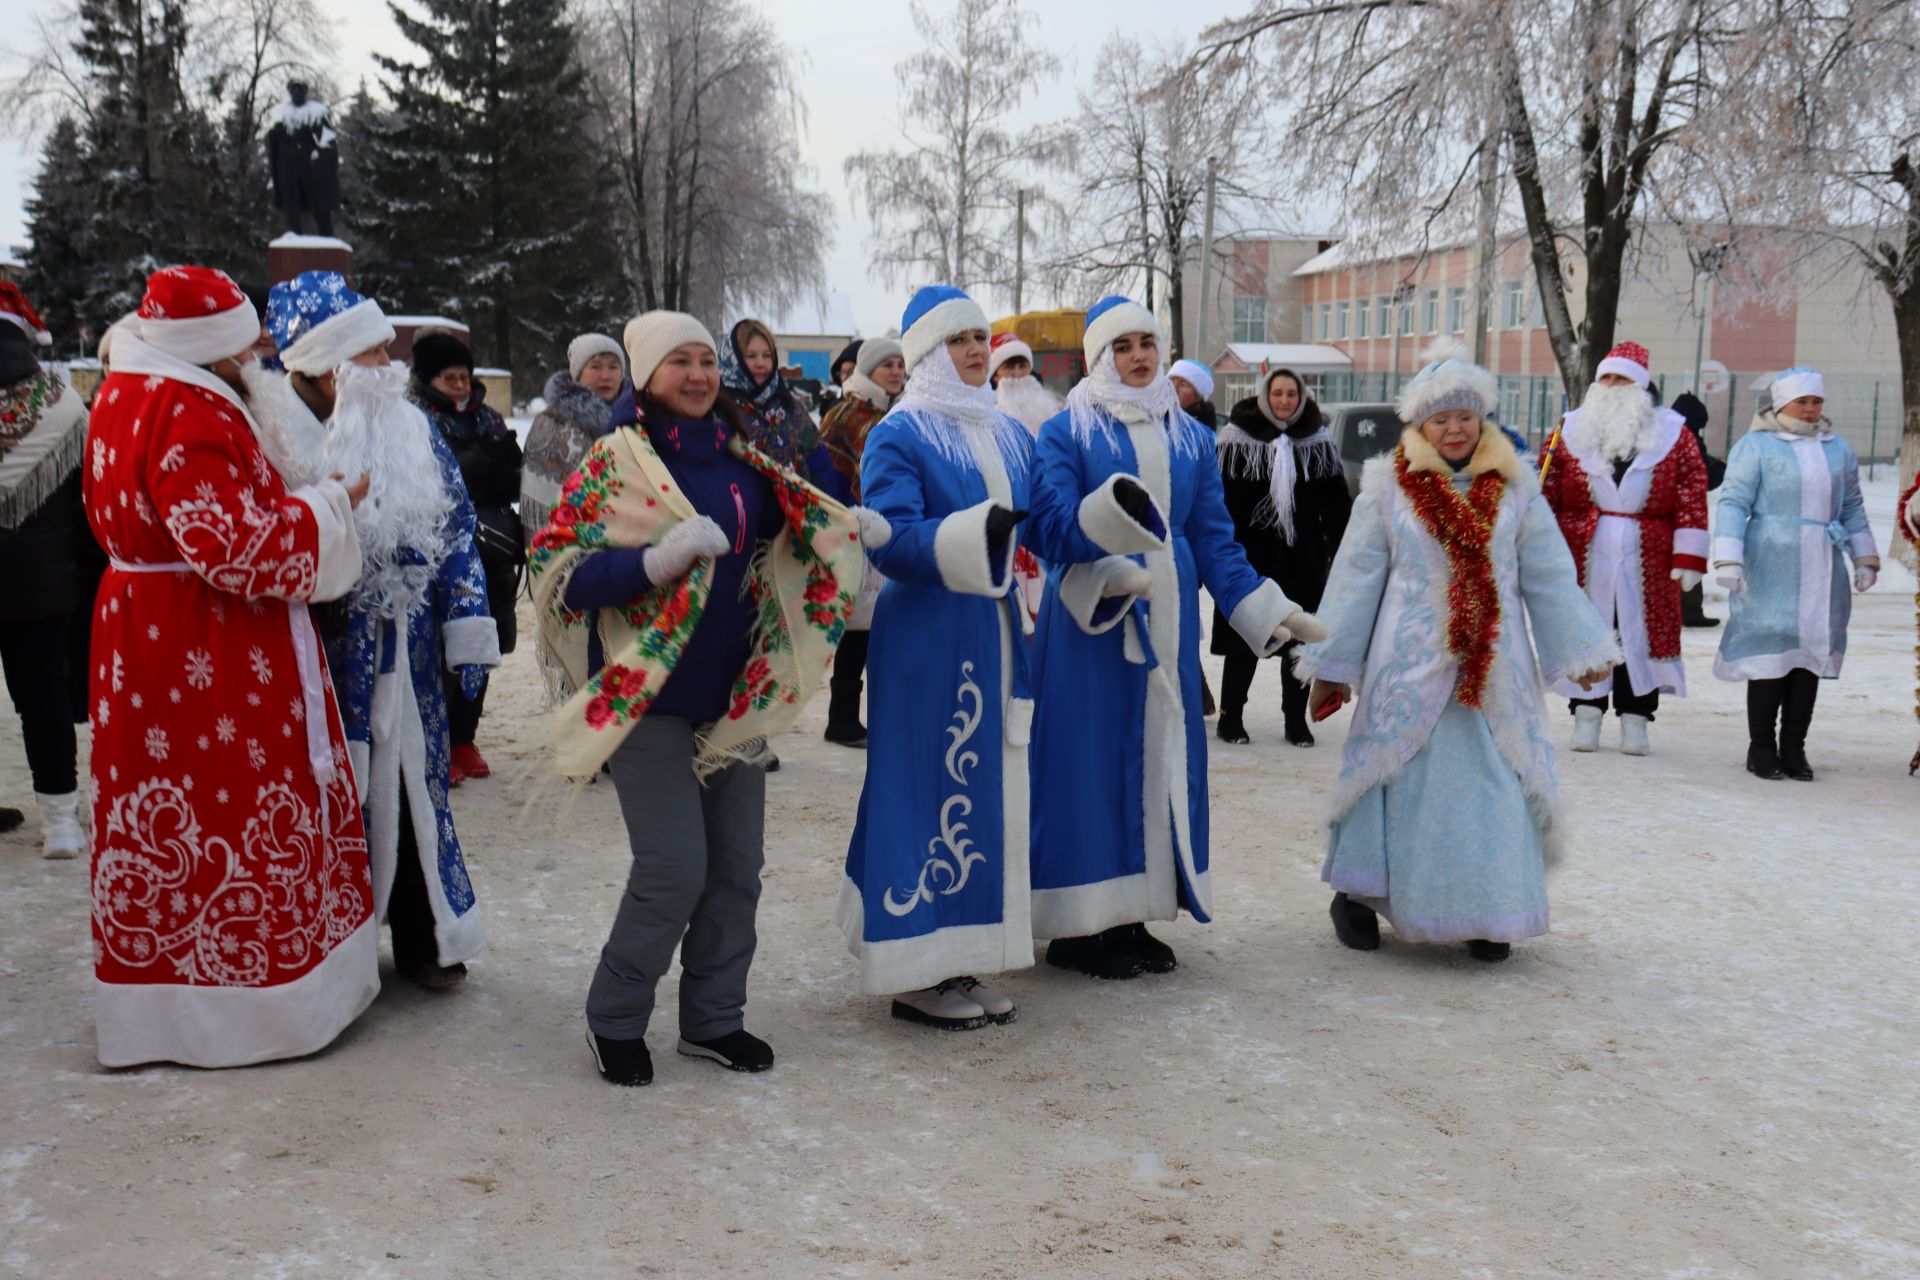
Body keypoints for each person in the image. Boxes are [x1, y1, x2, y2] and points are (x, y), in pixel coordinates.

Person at [529, 311, 870, 1086]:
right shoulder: (617, 461)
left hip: (732, 699)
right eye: (677, 362)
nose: (698, 375)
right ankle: (614, 1016)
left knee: (737, 868)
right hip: (650, 695)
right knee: (675, 867)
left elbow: (798, 525)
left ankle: (714, 1020)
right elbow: (559, 573)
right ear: (646, 376)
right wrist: (653, 564)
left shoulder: (744, 456)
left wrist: (845, 531)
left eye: (705, 362)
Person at [83, 265, 377, 1067]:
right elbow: (232, 547)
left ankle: (166, 1002)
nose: (259, 346)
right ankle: (255, 1010)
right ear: (213, 348)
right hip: (207, 646)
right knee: (233, 805)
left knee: (165, 806)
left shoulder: (125, 387)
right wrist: (330, 505)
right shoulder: (187, 409)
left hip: (144, 634)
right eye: (246, 336)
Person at [1025, 297, 1323, 979]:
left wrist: (1261, 608)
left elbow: (1216, 539)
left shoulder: (1189, 435)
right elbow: (1047, 525)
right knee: (1090, 764)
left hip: (1168, 622)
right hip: (1091, 623)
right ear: (1100, 356)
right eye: (1122, 346)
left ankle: (1134, 912)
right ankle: (1077, 926)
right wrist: (1113, 553)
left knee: (1160, 758)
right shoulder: (1066, 431)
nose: (1138, 356)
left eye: (1146, 343)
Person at [1300, 347, 1617, 962]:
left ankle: (1487, 910)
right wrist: (1332, 667)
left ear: (1483, 420)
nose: (1454, 428)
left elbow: (1548, 574)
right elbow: (1357, 577)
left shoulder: (1519, 489)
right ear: (1418, 425)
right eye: (1439, 418)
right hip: (1408, 665)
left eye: (1465, 417)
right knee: (1391, 777)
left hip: (1495, 671)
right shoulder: (1388, 489)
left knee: (1493, 785)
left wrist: (1582, 647)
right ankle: (1358, 895)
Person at [270, 272, 500, 990]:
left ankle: (428, 935)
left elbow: (459, 526)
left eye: (384, 351)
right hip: (324, 657)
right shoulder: (275, 436)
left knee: (415, 788)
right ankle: (336, 955)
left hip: (414, 651)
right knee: (336, 794)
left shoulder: (412, 424)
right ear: (321, 364)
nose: (387, 368)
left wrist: (466, 619)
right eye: (369, 355)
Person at [839, 285, 1037, 1030]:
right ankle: (912, 966)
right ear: (927, 353)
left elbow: (1037, 526)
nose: (978, 351)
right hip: (926, 635)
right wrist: (970, 542)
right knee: (920, 787)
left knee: (979, 791)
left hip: (995, 634)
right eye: (961, 341)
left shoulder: (1008, 431)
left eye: (982, 338)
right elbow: (892, 536)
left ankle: (958, 956)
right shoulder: (902, 433)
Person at [1537, 342, 1710, 756]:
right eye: (1607, 378)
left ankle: (1636, 717)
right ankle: (1587, 712)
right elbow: (1545, 489)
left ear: (1641, 385)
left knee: (1639, 632)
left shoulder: (1672, 432)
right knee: (1589, 632)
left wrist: (1689, 553)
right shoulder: (1568, 430)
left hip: (1648, 552)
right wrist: (1538, 547)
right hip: (1581, 551)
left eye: (1623, 378)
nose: (1614, 387)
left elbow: (1691, 488)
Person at [1711, 368, 1878, 781]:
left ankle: (1794, 748)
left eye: (1816, 401)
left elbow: (1852, 506)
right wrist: (1729, 556)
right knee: (1771, 654)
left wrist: (1864, 556)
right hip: (1770, 560)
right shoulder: (1757, 446)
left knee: (1809, 655)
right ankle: (1762, 747)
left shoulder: (1837, 449)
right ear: (1781, 403)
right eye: (1802, 401)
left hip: (1823, 562)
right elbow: (1733, 501)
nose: (1810, 409)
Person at [1214, 366, 1351, 746]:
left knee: (1298, 644)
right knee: (1245, 640)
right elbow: (1220, 502)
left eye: (1292, 394)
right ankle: (1231, 716)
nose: (1285, 401)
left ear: (1302, 397)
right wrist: (1223, 552)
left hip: (1302, 561)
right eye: (1278, 393)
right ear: (1265, 395)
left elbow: (1337, 505)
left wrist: (1341, 549)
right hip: (1250, 559)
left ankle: (1295, 721)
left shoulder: (1318, 441)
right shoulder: (1236, 438)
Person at [0, 281, 89, 858]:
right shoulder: (63, 404)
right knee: (43, 704)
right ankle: (59, 820)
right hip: (40, 583)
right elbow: (88, 505)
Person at [410, 333, 522, 783]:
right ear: (427, 378)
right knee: (442, 647)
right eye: (448, 377)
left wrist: (486, 469)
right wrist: (481, 463)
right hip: (443, 553)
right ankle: (437, 739)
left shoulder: (488, 417)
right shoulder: (416, 419)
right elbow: (436, 479)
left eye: (464, 376)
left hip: (492, 550)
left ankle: (464, 738)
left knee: (485, 641)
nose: (458, 385)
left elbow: (512, 476)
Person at [817, 336, 907, 747]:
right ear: (867, 370)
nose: (895, 371)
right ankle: (843, 721)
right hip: (853, 531)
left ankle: (882, 719)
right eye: (886, 364)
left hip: (894, 532)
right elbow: (826, 477)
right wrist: (847, 522)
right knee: (856, 632)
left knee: (884, 632)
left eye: (899, 364)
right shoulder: (846, 414)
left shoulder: (899, 413)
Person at [520, 333, 625, 540]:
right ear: (577, 373)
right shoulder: (552, 424)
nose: (606, 376)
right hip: (571, 545)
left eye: (613, 367)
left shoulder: (635, 418)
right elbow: (539, 506)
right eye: (595, 367)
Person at [719, 318, 827, 479]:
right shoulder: (720, 410)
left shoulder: (790, 407)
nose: (761, 363)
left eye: (767, 355)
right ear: (734, 360)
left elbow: (820, 462)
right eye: (751, 356)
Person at [1669, 391, 1726, 628]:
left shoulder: (1661, 435)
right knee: (1689, 559)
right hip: (1686, 513)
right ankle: (1690, 611)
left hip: (1662, 511)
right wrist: (1719, 468)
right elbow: (1705, 476)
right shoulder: (1689, 439)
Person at [990, 332, 1062, 434]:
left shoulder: (1053, 408)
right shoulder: (987, 415)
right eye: (1008, 367)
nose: (1017, 374)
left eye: (1022, 366)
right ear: (995, 376)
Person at [1168, 358, 1217, 429]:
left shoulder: (1197, 434)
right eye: (1170, 382)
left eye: (1183, 385)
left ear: (1198, 397)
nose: (1173, 388)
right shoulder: (1157, 421)